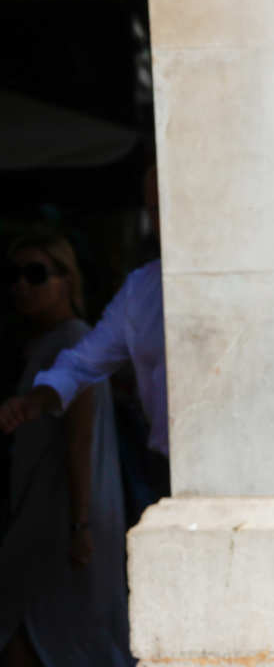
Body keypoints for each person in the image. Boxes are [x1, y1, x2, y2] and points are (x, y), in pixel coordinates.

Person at [0, 231, 129, 667]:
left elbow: (80, 437)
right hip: (46, 515)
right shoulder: (46, 342)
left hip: (64, 521)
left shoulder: (75, 340)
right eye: (13, 275)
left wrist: (79, 526)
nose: (21, 285)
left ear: (66, 280)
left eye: (36, 274)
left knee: (55, 636)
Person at [0, 168, 168, 501]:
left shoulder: (249, 273)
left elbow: (79, 439)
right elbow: (82, 364)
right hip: (166, 468)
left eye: (36, 274)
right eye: (154, 209)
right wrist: (37, 399)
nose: (163, 218)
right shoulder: (140, 289)